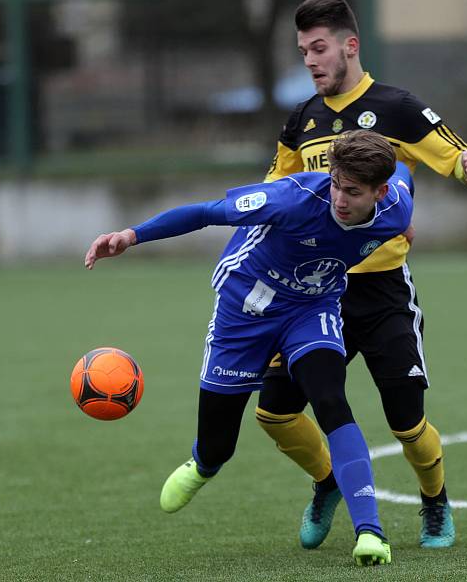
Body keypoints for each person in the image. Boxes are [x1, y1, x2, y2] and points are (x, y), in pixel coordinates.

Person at [84, 130, 414, 566]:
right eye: (335, 183)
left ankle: (370, 532)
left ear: (380, 191)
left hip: (311, 306)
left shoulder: (396, 204)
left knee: (331, 399)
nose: (339, 198)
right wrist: (132, 235)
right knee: (220, 444)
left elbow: (406, 171)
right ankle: (203, 464)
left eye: (353, 191)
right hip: (246, 305)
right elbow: (205, 213)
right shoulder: (289, 200)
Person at [253, 0, 467, 551]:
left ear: (350, 46)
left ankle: (434, 502)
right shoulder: (302, 119)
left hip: (381, 291)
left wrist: (466, 164)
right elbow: (274, 190)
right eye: (303, 51)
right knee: (274, 411)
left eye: (318, 49)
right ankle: (328, 481)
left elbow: (450, 152)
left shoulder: (397, 107)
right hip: (314, 294)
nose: (310, 61)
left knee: (407, 424)